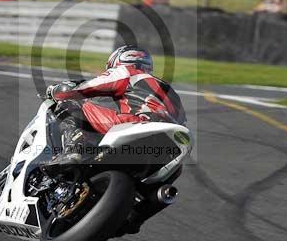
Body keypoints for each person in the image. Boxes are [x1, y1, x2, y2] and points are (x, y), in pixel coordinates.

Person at [44, 45, 186, 167]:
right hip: (169, 144)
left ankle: (72, 151)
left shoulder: (127, 72)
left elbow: (81, 89)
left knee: (71, 102)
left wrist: (55, 90)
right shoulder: (170, 90)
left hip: (139, 123)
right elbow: (182, 123)